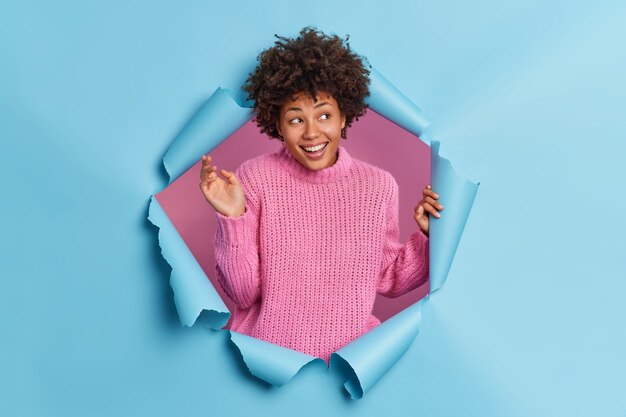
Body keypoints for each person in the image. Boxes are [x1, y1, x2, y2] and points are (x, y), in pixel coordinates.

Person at [199, 27, 443, 363]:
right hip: (265, 360)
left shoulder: (378, 186)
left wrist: (428, 237)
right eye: (296, 119)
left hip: (344, 364)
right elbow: (243, 295)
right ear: (277, 125)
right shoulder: (255, 177)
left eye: (324, 115)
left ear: (344, 116)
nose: (312, 132)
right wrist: (233, 218)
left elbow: (389, 276)